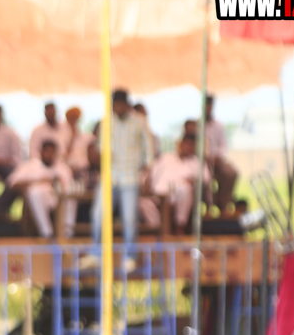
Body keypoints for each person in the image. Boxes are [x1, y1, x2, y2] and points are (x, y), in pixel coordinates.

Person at [91, 88, 149, 247]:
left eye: (119, 105)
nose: (117, 109)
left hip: (130, 177)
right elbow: (100, 148)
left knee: (129, 218)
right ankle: (96, 252)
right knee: (98, 214)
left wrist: (145, 175)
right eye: (114, 106)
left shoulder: (140, 122)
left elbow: (148, 150)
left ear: (127, 105)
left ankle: (130, 255)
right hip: (109, 175)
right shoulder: (106, 122)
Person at [8, 140, 74, 240]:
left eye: (52, 152)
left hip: (59, 198)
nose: (49, 155)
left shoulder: (63, 168)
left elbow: (69, 186)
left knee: (71, 195)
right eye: (47, 151)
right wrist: (39, 181)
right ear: (41, 152)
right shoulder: (31, 165)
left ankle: (67, 234)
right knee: (35, 192)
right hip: (40, 199)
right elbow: (12, 183)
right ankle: (46, 233)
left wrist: (58, 182)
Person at [147, 133, 210, 233]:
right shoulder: (165, 157)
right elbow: (150, 175)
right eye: (187, 144)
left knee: (185, 189)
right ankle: (158, 232)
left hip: (178, 195)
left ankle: (179, 226)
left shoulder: (197, 162)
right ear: (180, 144)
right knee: (142, 202)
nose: (188, 148)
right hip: (158, 194)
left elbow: (205, 180)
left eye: (192, 145)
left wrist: (194, 181)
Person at [204, 96, 238, 211]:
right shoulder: (197, 125)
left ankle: (223, 203)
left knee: (231, 173)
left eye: (210, 105)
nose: (208, 107)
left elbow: (224, 145)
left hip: (218, 161)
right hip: (203, 162)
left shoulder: (219, 125)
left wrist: (218, 157)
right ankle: (210, 205)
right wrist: (207, 158)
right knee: (205, 178)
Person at [64, 107, 94, 182]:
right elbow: (63, 157)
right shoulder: (62, 138)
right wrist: (72, 137)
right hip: (67, 171)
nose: (73, 121)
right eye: (70, 118)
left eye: (74, 118)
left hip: (85, 171)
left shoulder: (88, 137)